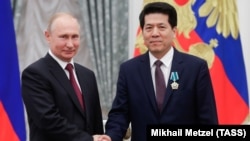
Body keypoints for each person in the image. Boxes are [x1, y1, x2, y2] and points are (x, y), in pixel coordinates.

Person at [103, 2, 218, 141]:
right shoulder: (129, 70)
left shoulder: (195, 68)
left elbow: (207, 120)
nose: (155, 33)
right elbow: (119, 115)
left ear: (174, 31)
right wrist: (110, 137)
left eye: (161, 27)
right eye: (149, 28)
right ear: (142, 32)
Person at [21, 12, 110, 141]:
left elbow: (95, 121)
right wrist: (89, 140)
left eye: (75, 37)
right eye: (63, 37)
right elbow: (48, 121)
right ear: (48, 36)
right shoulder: (34, 74)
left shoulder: (88, 75)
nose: (70, 44)